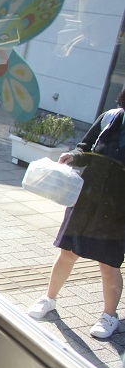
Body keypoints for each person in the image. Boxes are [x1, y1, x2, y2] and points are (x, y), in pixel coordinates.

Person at [27, 88, 125, 338]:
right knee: (68, 253)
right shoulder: (111, 117)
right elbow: (86, 148)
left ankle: (109, 316)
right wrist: (73, 156)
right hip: (87, 200)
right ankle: (49, 299)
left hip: (118, 211)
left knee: (108, 263)